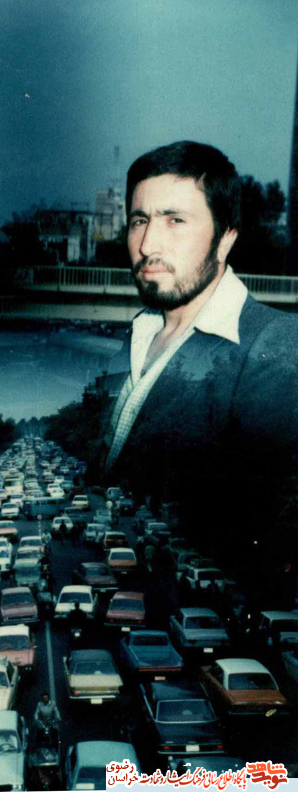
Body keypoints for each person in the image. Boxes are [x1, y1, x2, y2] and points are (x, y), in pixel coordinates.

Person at [100, 140, 298, 601]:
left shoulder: (276, 347)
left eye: (175, 220)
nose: (148, 244)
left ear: (225, 238)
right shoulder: (137, 335)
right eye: (139, 221)